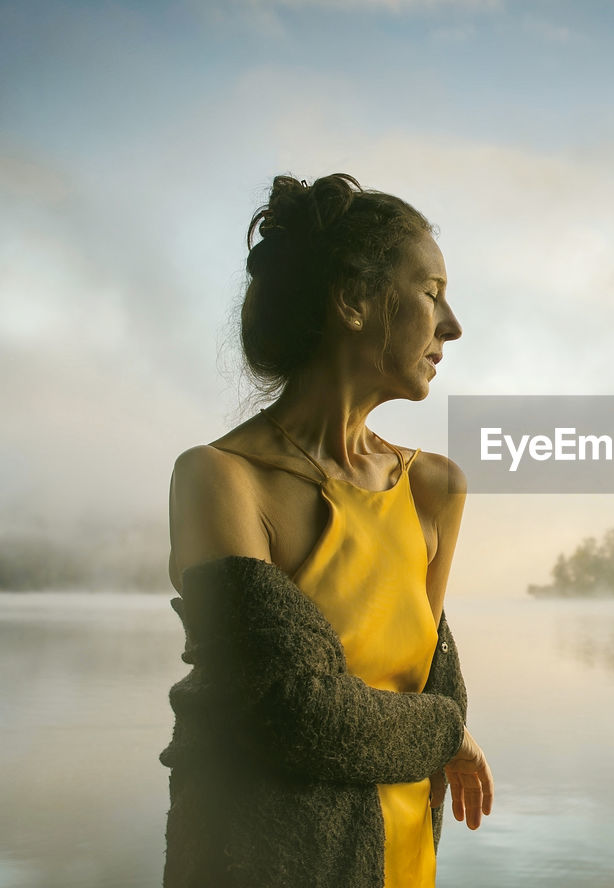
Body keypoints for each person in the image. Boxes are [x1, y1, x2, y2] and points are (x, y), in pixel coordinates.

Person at [160, 173, 493, 888]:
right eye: (430, 292)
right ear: (351, 300)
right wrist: (446, 735)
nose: (452, 324)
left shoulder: (434, 490)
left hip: (404, 861)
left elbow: (431, 691)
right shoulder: (219, 479)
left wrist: (444, 726)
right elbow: (291, 710)